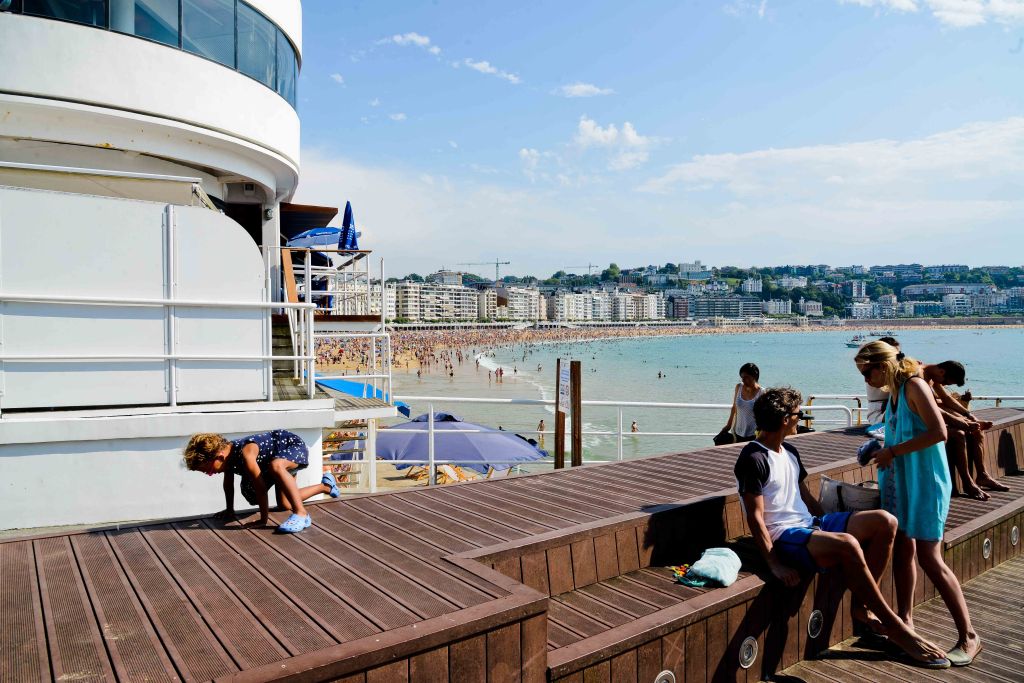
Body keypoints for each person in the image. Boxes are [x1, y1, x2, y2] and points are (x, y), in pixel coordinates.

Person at [735, 387, 949, 668]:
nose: (802, 418)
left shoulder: (789, 451)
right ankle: (897, 628)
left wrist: (826, 526)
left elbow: (806, 497)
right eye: (799, 414)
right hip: (784, 536)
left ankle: (861, 607)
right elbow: (756, 518)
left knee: (886, 521)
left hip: (809, 525)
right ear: (786, 419)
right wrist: (774, 563)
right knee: (847, 543)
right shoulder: (753, 458)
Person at [855, 342, 980, 666]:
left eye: (867, 372)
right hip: (904, 483)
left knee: (930, 557)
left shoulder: (914, 385)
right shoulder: (895, 393)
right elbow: (901, 434)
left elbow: (939, 432)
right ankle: (905, 621)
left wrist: (893, 452)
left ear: (882, 366)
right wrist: (878, 447)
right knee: (904, 549)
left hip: (926, 484)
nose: (866, 380)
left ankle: (969, 636)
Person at [183, 430, 340, 534]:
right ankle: (326, 485)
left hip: (291, 447)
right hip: (276, 461)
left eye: (209, 470)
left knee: (275, 466)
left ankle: (301, 513)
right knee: (285, 504)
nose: (211, 474)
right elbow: (228, 486)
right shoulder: (228, 460)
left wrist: (263, 519)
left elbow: (261, 487)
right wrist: (229, 509)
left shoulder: (245, 453)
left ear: (219, 457)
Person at [919, 360, 1009, 500]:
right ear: (942, 372)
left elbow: (946, 399)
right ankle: (967, 483)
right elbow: (932, 408)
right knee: (959, 434)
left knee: (976, 430)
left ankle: (982, 475)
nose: (944, 385)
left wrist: (968, 415)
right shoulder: (918, 377)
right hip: (921, 420)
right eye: (947, 383)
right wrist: (963, 423)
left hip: (935, 416)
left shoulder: (932, 377)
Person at [723, 362, 764, 442]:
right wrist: (728, 426)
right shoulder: (739, 387)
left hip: (754, 435)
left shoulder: (762, 393)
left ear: (754, 376)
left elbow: (764, 416)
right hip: (737, 433)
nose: (743, 380)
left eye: (746, 377)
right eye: (742, 377)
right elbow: (734, 408)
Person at [864, 337, 900, 425]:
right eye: (896, 356)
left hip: (889, 408)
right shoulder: (876, 370)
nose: (898, 359)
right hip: (879, 412)